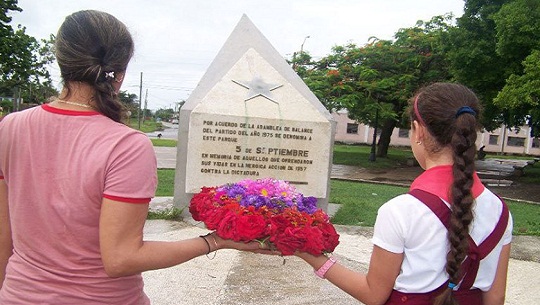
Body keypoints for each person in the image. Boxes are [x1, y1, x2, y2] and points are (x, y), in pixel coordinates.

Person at [0, 10, 258, 304]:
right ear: (120, 73)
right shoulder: (127, 145)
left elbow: (3, 234)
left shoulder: (10, 127)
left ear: (61, 60)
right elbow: (120, 259)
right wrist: (213, 241)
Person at [292, 83, 513, 305]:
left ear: (419, 131)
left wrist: (313, 257)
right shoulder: (500, 210)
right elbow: (495, 297)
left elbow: (373, 294)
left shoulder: (400, 211)